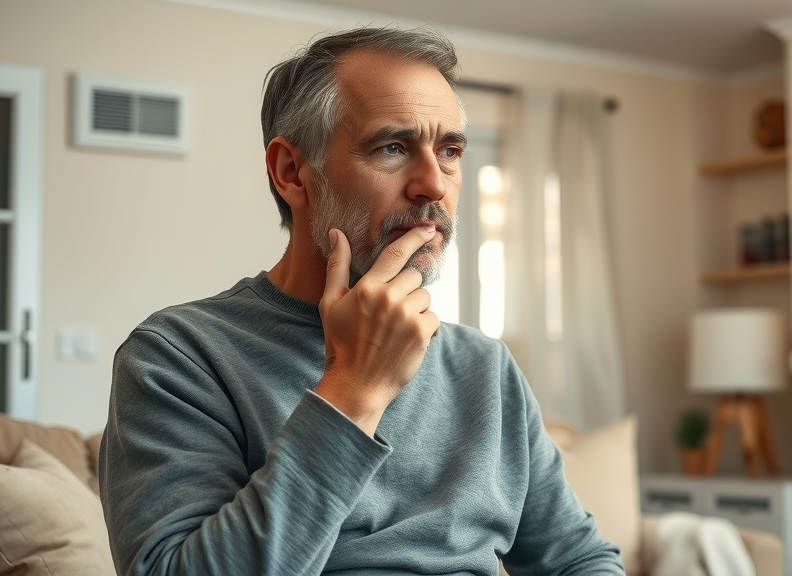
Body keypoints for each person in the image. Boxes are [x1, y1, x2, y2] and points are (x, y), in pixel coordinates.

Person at [99, 27, 625, 576]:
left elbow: (580, 559)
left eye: (449, 151)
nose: (434, 186)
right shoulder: (178, 357)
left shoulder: (484, 369)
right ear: (291, 172)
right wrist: (355, 389)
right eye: (392, 148)